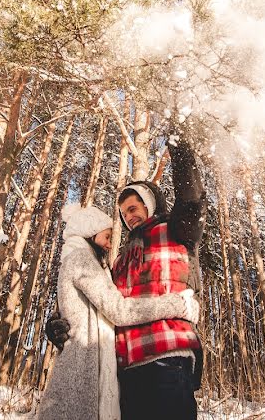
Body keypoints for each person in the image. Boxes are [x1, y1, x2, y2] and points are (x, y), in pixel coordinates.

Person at [48, 137, 207, 420]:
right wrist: (62, 324)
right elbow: (106, 308)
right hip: (126, 373)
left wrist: (180, 143)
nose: (128, 217)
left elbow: (191, 201)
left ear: (149, 205)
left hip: (167, 358)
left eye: (133, 209)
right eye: (123, 214)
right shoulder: (120, 261)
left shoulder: (175, 232)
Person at [37, 203, 199, 420]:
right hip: (84, 370)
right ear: (89, 233)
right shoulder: (82, 260)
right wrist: (177, 305)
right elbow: (119, 310)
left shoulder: (84, 262)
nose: (109, 244)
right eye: (106, 236)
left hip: (90, 368)